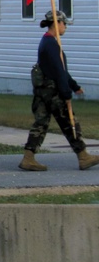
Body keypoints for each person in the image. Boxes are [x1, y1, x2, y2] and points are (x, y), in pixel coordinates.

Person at [19, 10, 99, 171]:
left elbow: (61, 69)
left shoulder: (47, 42)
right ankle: (83, 156)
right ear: (57, 23)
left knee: (41, 123)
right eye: (64, 24)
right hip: (52, 92)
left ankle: (28, 157)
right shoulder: (51, 44)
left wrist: (74, 86)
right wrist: (66, 93)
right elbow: (58, 72)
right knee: (69, 122)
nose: (65, 27)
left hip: (42, 91)